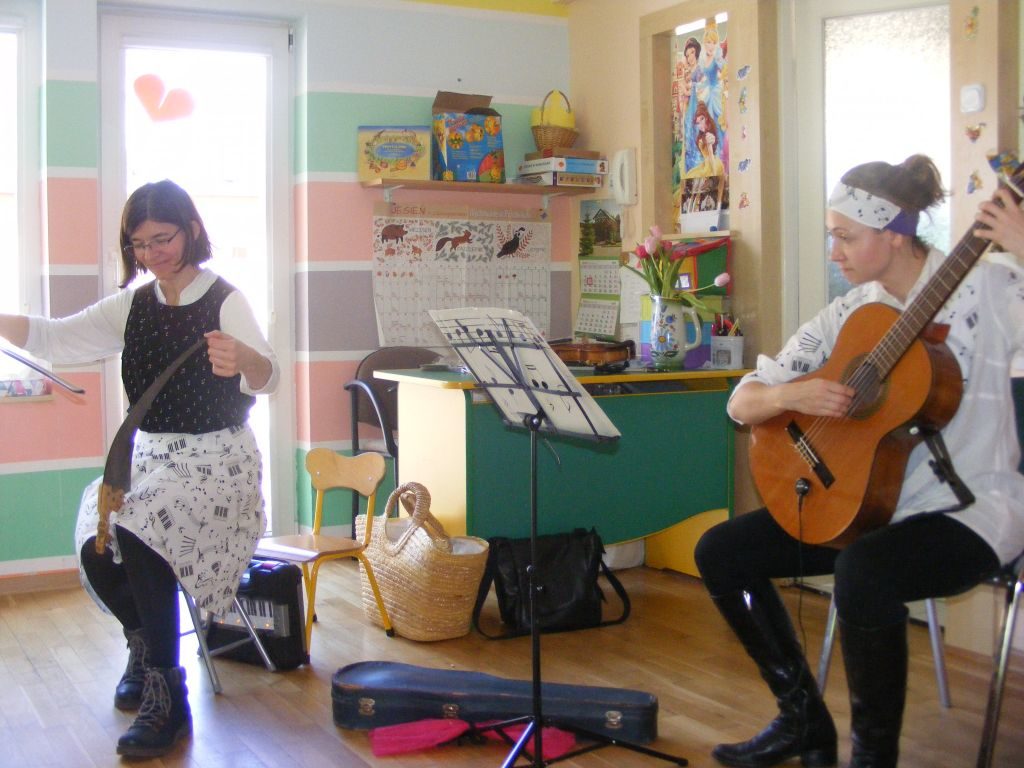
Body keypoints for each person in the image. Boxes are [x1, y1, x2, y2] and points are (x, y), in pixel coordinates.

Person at [694, 154, 1024, 768]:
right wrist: (791, 397)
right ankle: (803, 722)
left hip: (972, 510)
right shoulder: (853, 312)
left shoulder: (990, 286)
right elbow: (743, 402)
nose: (834, 253)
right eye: (831, 237)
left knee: (864, 573)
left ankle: (873, 758)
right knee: (722, 551)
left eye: (846, 237)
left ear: (894, 234)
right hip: (865, 507)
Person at [0, 179, 279, 758]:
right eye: (140, 243)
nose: (152, 253)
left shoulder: (225, 299)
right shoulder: (134, 304)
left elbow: (269, 377)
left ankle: (167, 693)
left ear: (192, 231)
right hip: (149, 457)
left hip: (218, 462)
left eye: (163, 239)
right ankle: (146, 645)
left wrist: (247, 359)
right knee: (97, 539)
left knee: (138, 525)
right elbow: (55, 337)